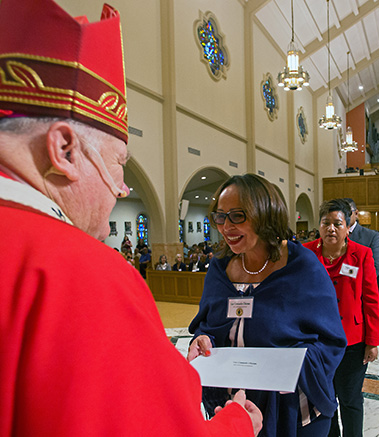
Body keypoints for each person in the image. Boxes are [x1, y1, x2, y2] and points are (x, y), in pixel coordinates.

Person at [0, 1, 263, 435]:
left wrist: (161, 369)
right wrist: (236, 424)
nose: (122, 187)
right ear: (64, 150)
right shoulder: (81, 271)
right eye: (119, 162)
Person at [187, 174, 347, 437]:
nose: (226, 226)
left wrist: (289, 364)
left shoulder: (301, 267)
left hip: (293, 412)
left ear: (265, 215)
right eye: (220, 216)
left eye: (237, 216)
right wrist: (202, 339)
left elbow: (330, 342)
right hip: (231, 410)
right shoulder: (219, 268)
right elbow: (208, 326)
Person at [304, 199, 379, 437]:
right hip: (317, 342)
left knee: (350, 399)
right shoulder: (306, 253)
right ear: (319, 226)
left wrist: (372, 341)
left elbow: (370, 300)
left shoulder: (362, 254)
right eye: (326, 223)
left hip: (352, 342)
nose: (331, 229)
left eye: (337, 224)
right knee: (325, 400)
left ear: (348, 227)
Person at [343, 198, 379, 276]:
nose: (344, 217)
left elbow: (374, 269)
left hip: (358, 286)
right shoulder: (333, 234)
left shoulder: (371, 236)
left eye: (348, 213)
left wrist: (343, 270)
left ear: (356, 213)